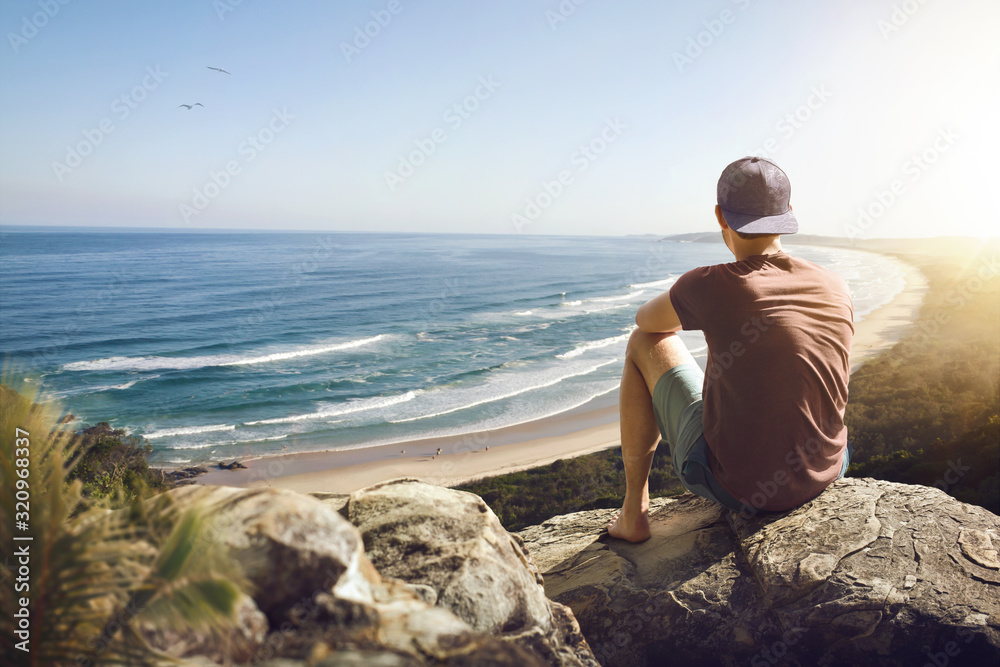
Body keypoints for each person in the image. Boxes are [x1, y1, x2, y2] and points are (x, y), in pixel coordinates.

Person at [607, 157, 854, 543]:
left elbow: (646, 322)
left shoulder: (711, 284)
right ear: (788, 213)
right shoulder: (834, 284)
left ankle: (633, 513)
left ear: (721, 216)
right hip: (827, 470)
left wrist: (707, 312)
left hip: (740, 489)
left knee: (642, 344)